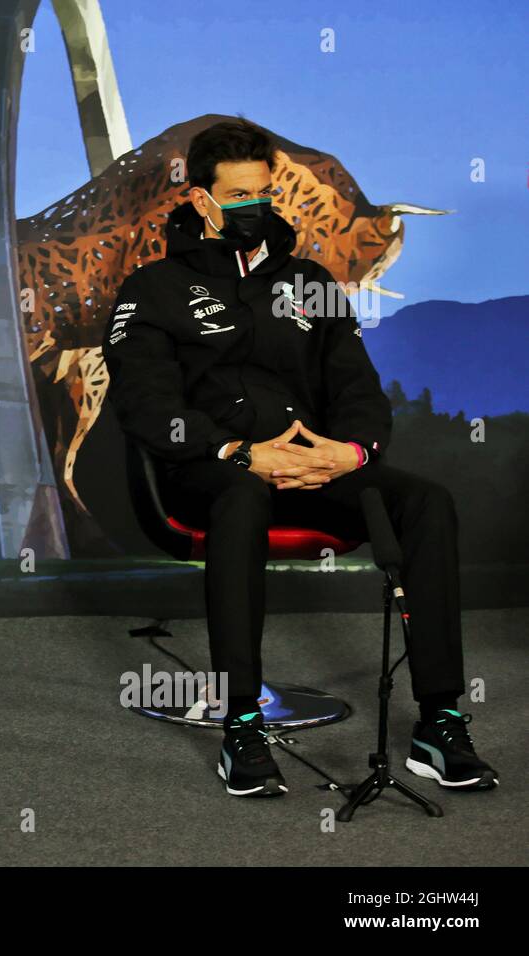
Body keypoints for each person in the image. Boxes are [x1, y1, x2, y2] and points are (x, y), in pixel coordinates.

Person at [102, 119, 498, 797]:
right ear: (202, 200)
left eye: (264, 191)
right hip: (207, 472)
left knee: (426, 501)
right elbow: (144, 407)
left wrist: (348, 452)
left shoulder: (311, 283)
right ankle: (243, 723)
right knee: (241, 493)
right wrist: (236, 451)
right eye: (238, 195)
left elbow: (360, 393)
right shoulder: (153, 290)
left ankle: (440, 722)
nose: (256, 206)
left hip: (314, 469)